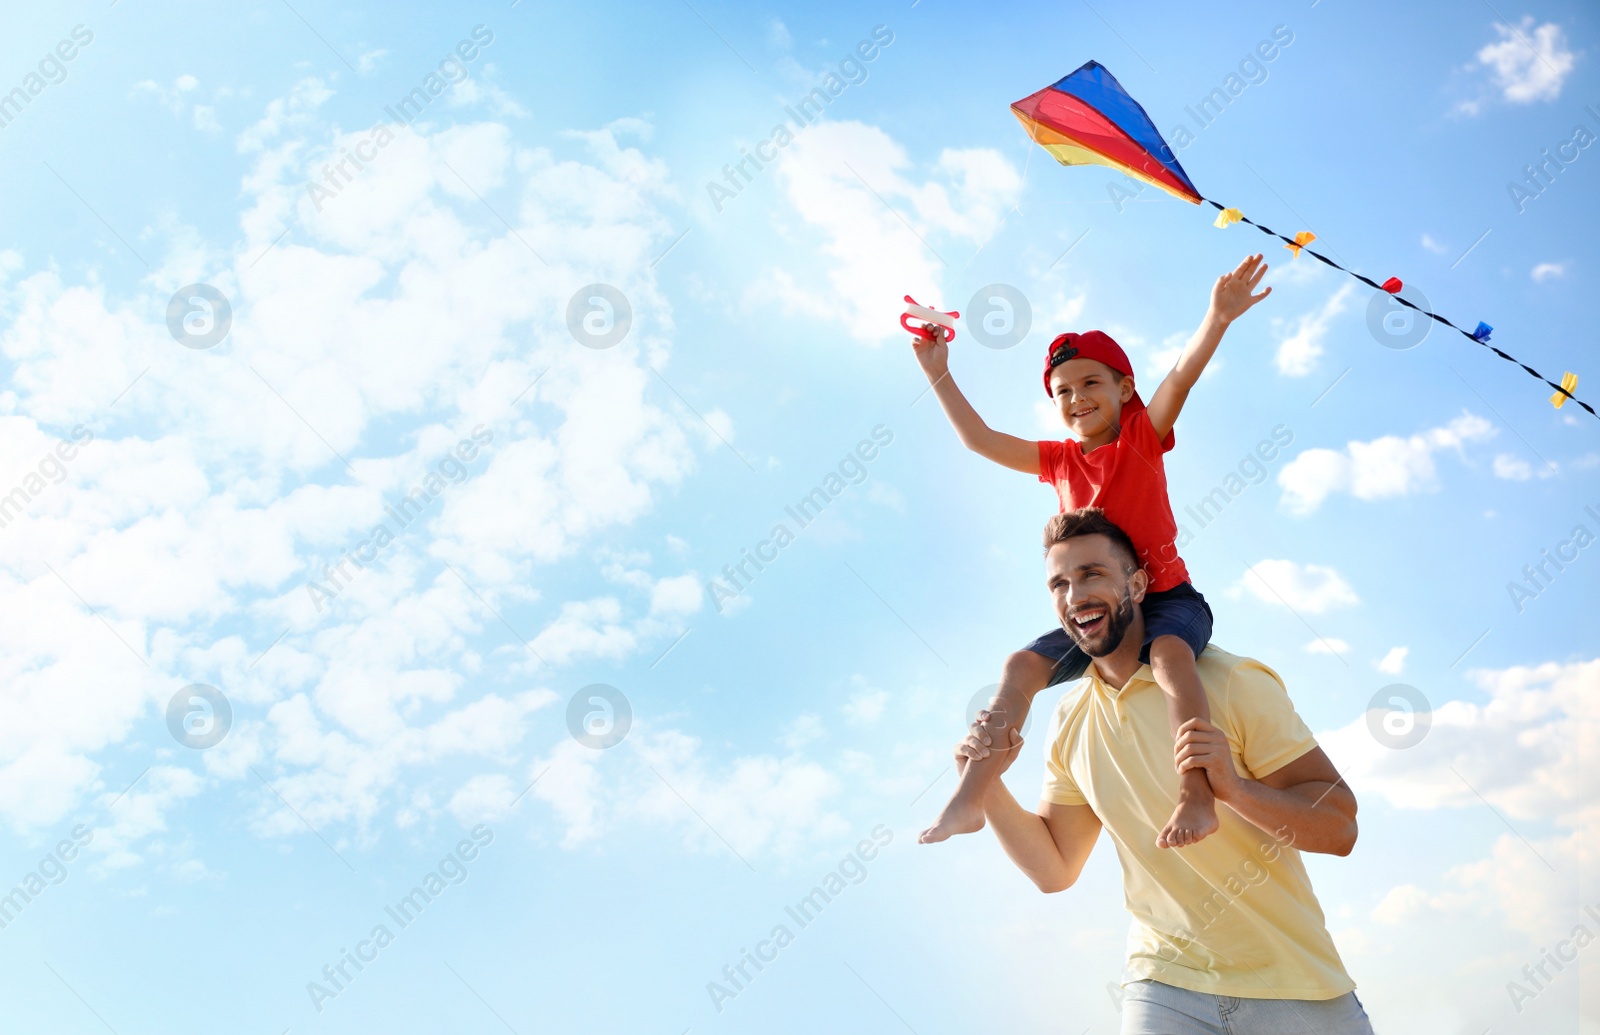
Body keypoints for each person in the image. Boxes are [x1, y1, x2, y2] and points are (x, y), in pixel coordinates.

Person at [958, 508, 1372, 1033]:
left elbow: (1339, 828)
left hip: (1296, 992)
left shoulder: (1229, 681)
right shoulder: (1069, 720)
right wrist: (986, 784)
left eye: (1092, 574)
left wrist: (1235, 789)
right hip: (1164, 984)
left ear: (1136, 584)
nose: (1074, 595)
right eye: (1059, 583)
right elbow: (1055, 867)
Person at [915, 254, 1272, 849]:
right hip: (1097, 614)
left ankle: (1197, 792)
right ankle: (970, 795)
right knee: (1019, 666)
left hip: (1166, 602)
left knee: (1168, 658)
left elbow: (1180, 378)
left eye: (1090, 384)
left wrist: (1218, 317)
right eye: (1062, 391)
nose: (1076, 398)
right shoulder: (1057, 461)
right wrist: (936, 370)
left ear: (1123, 388)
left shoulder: (1140, 437)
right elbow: (980, 440)